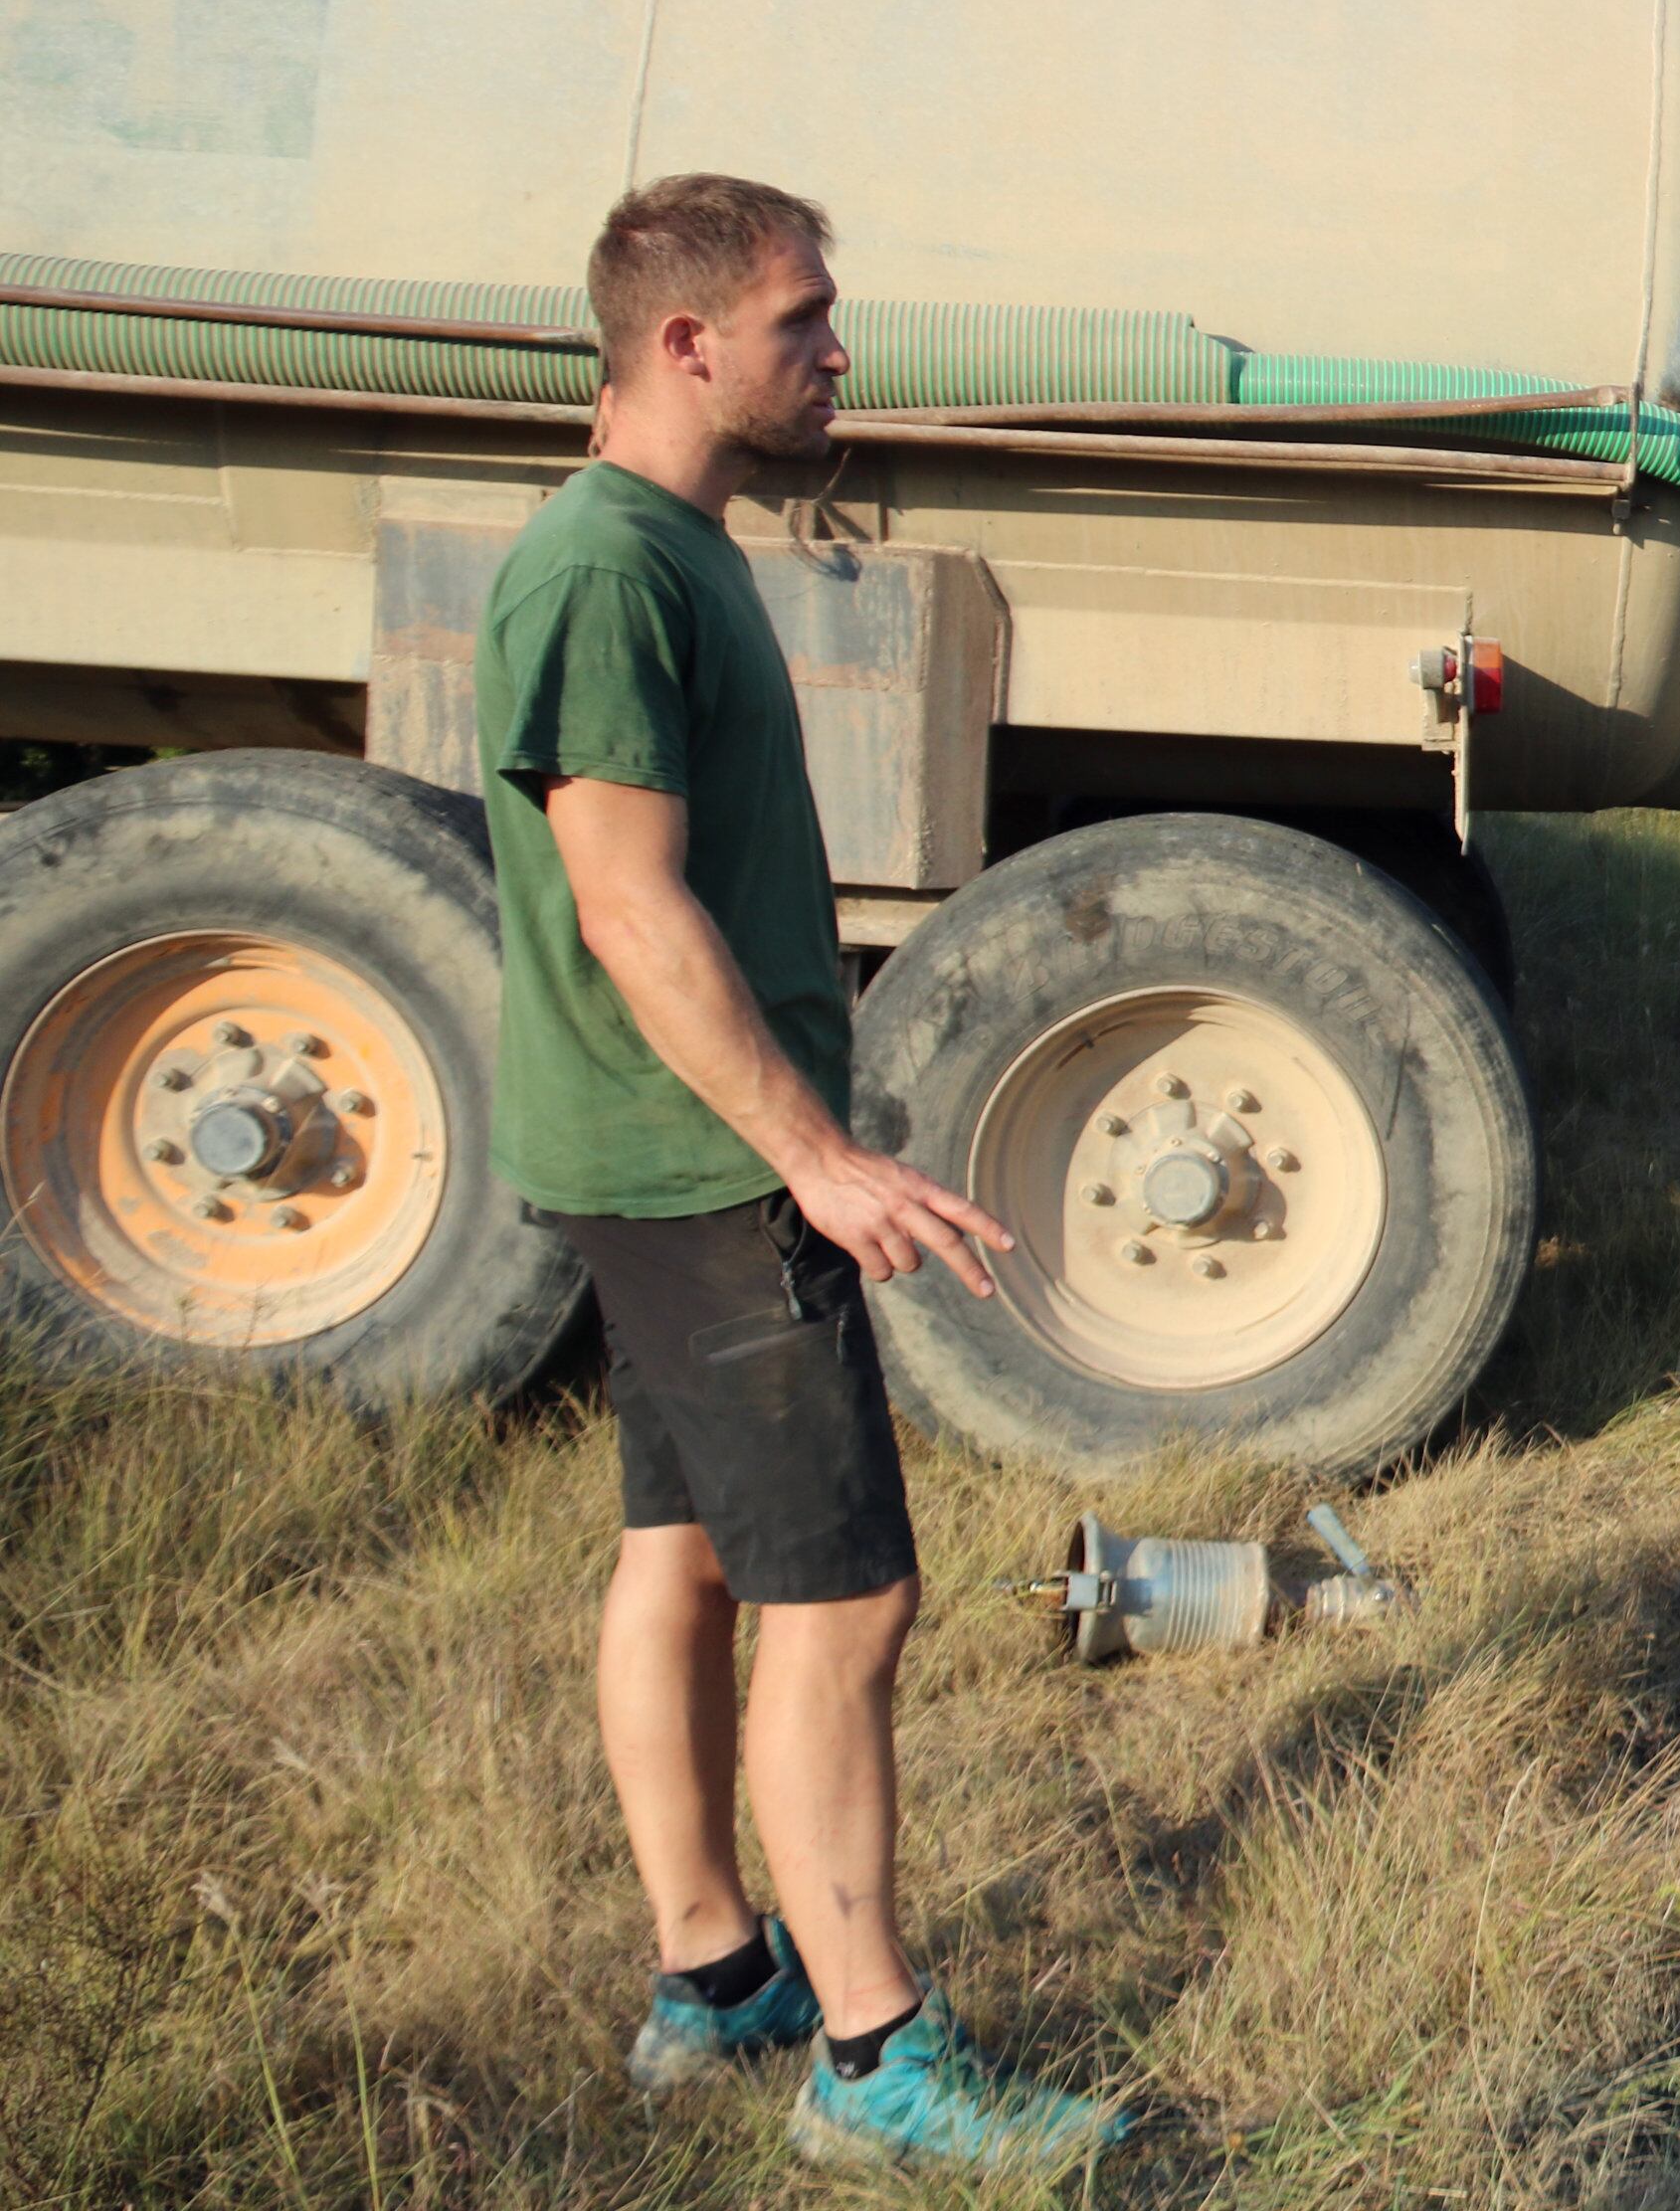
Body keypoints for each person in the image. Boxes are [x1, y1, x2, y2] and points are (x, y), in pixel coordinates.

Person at [477, 174, 1128, 2169]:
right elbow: (625, 903)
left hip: (648, 1150)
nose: (838, 354)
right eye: (804, 322)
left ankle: (714, 1969)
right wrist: (817, 1156)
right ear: (685, 343)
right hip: (697, 1169)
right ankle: (874, 2059)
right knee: (846, 1601)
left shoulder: (663, 545)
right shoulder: (609, 569)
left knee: (681, 1557)